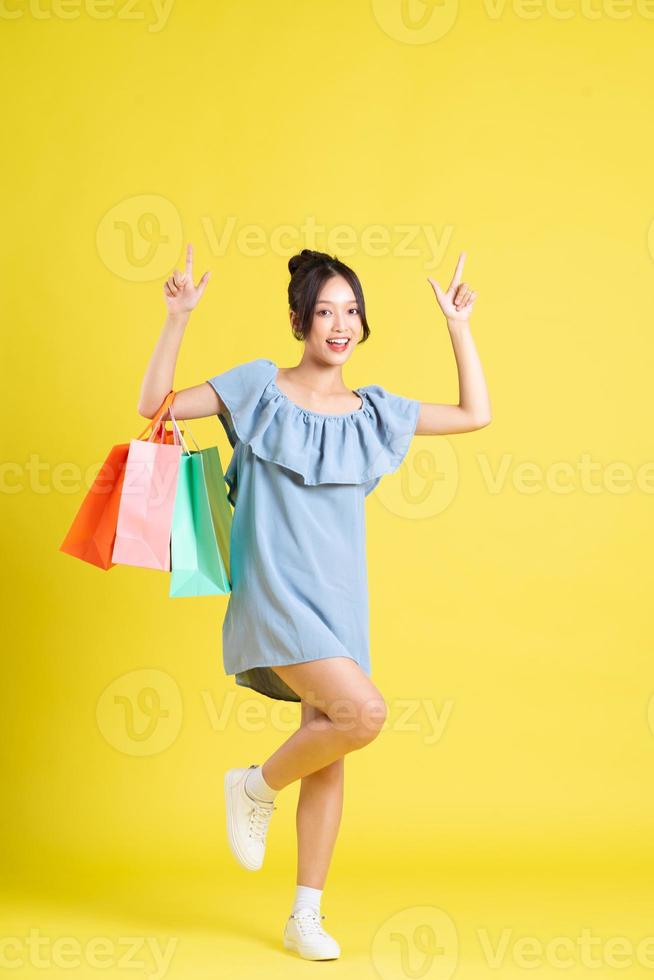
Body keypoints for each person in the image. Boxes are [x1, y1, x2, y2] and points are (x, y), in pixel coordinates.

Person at [137, 243, 491, 961]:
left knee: (329, 752)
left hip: (341, 599)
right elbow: (155, 407)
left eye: (352, 311)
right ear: (298, 319)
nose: (340, 323)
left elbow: (474, 414)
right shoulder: (259, 388)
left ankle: (305, 915)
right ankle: (255, 785)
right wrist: (176, 319)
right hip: (273, 590)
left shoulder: (373, 412)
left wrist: (457, 324)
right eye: (325, 310)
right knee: (363, 714)